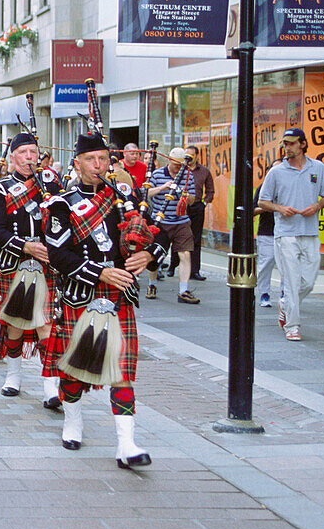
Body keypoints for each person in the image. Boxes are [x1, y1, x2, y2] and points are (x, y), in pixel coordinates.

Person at [43, 132, 168, 467]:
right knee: (73, 369)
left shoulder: (127, 198)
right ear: (76, 164)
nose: (98, 166)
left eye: (103, 159)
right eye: (90, 159)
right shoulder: (61, 204)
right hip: (80, 294)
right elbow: (58, 256)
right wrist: (100, 273)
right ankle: (72, 421)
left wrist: (149, 256)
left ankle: (126, 444)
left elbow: (160, 233)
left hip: (118, 295)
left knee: (121, 370)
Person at [0, 132, 62, 406]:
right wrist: (25, 247)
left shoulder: (51, 183)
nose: (29, 158)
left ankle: (50, 386)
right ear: (13, 157)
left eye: (33, 152)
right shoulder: (1, 188)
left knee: (45, 324)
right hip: (15, 263)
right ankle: (13, 375)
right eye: (23, 153)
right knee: (16, 324)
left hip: (45, 262)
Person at [257, 127, 324, 341]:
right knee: (290, 280)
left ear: (303, 144)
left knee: (308, 282)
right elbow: (262, 201)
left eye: (291, 143)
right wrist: (281, 209)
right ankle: (292, 325)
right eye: (285, 144)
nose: (286, 147)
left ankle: (286, 305)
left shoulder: (318, 167)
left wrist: (316, 206)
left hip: (310, 231)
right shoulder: (276, 172)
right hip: (285, 233)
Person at [146, 147, 200, 304]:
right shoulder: (157, 174)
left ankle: (183, 290)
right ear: (169, 160)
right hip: (160, 221)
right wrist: (164, 187)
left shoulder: (188, 175)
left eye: (182, 164)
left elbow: (192, 200)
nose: (179, 167)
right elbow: (146, 193)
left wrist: (184, 194)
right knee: (155, 255)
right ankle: (152, 284)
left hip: (181, 221)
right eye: (176, 163)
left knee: (185, 254)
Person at [173, 145, 215, 281]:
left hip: (196, 207)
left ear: (197, 156)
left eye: (191, 155)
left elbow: (210, 190)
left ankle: (195, 271)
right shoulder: (180, 170)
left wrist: (204, 203)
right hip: (181, 206)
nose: (188, 158)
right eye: (187, 155)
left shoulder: (204, 171)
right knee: (178, 236)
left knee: (195, 239)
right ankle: (173, 266)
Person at [253, 179, 276, 308]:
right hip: (267, 231)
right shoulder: (264, 187)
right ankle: (264, 293)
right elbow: (252, 210)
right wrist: (268, 207)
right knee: (266, 262)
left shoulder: (292, 184)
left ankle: (286, 294)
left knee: (288, 265)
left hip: (287, 231)